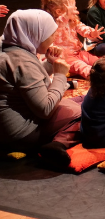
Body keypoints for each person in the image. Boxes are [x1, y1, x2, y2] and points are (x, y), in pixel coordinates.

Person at [0, 9, 79, 165]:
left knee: (83, 100)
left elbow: (26, 82)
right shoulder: (22, 61)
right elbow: (45, 109)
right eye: (49, 33)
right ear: (34, 33)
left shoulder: (9, 49)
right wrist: (60, 75)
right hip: (21, 135)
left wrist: (49, 64)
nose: (54, 37)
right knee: (84, 113)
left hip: (7, 130)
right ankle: (58, 144)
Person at [41, 0, 104, 79]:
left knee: (96, 61)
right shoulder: (53, 24)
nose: (76, 8)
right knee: (81, 66)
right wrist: (65, 17)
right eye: (73, 7)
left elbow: (82, 28)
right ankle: (97, 78)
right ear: (59, 12)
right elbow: (58, 27)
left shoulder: (72, 20)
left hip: (77, 53)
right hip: (64, 58)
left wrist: (91, 33)